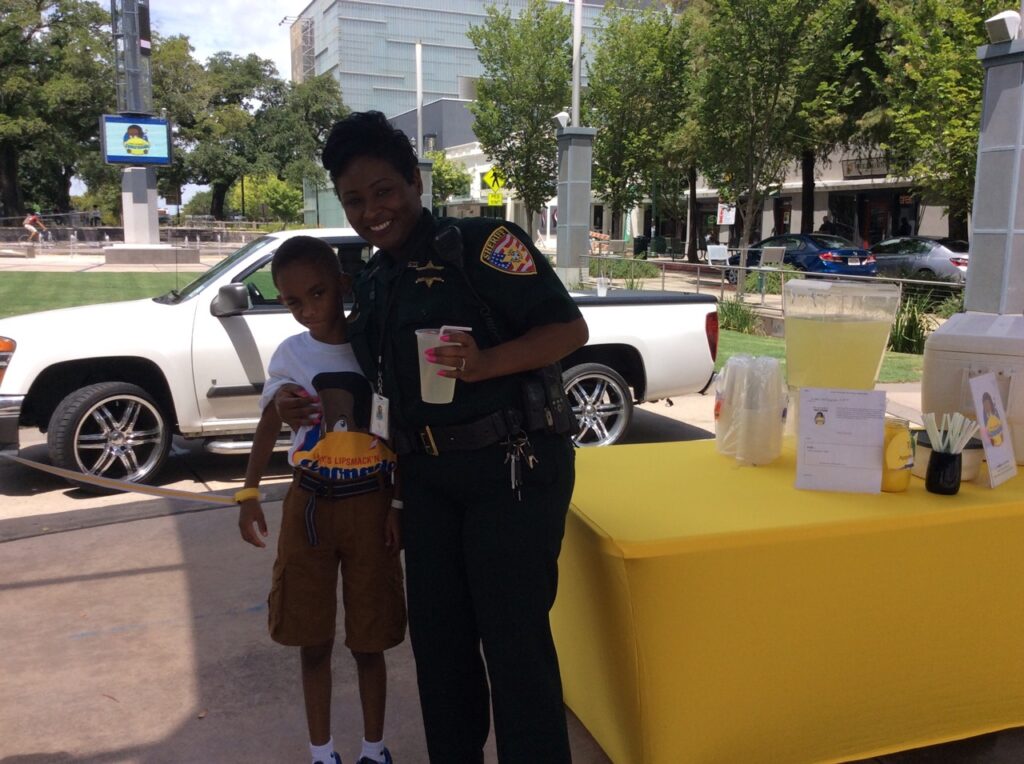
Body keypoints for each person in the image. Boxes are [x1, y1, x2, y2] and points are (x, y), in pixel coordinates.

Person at [277, 111, 589, 762]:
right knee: (441, 649)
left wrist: (487, 362)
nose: (372, 211)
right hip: (427, 482)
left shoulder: (481, 243)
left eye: (384, 190)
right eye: (355, 200)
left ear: (414, 183)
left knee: (513, 644)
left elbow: (568, 331)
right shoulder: (372, 280)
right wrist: (294, 401)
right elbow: (363, 373)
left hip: (513, 470)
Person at [238, 235, 405, 764]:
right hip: (308, 507)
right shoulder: (291, 353)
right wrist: (248, 493)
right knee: (311, 635)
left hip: (372, 506)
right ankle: (322, 752)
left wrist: (398, 505)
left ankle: (374, 750)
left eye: (317, 294)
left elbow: (399, 429)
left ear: (343, 285)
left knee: (369, 639)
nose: (308, 310)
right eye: (293, 302)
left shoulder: (373, 347)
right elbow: (269, 424)